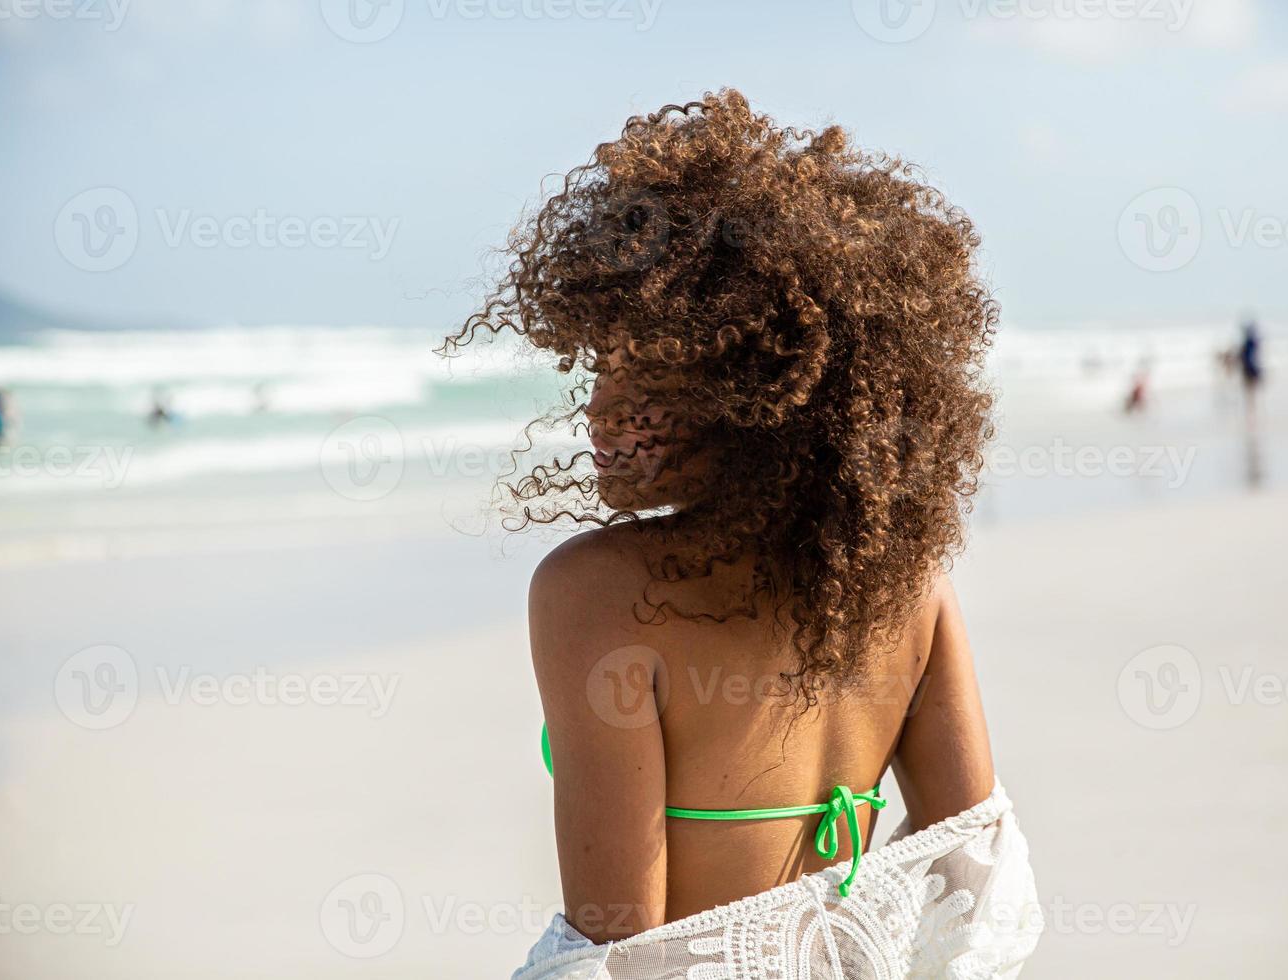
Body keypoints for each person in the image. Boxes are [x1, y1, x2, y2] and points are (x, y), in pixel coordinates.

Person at [442, 90, 1039, 979]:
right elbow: (979, 896)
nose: (600, 409)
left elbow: (619, 949)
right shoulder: (910, 588)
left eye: (648, 378)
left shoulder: (599, 594)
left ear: (766, 401)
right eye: (599, 366)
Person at [1238, 320, 1263, 423]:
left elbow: (1249, 358)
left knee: (1250, 393)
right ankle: (1252, 413)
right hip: (1250, 369)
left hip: (1249, 370)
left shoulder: (1249, 343)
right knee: (1251, 393)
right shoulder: (1251, 343)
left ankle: (1251, 413)